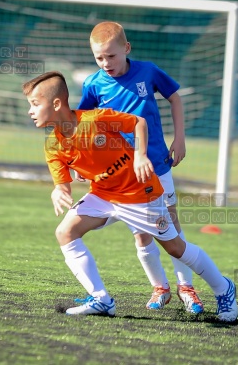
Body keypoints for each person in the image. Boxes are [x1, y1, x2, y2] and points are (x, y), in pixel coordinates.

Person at [22, 71, 238, 321]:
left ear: (56, 103)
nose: (30, 110)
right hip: (103, 196)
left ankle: (224, 288)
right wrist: (59, 190)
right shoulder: (52, 145)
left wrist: (140, 155)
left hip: (140, 195)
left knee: (176, 248)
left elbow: (138, 123)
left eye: (35, 104)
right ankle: (101, 299)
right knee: (65, 232)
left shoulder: (95, 120)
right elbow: (63, 184)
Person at [77, 21, 203, 314]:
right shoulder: (93, 84)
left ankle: (187, 288)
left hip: (158, 164)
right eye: (99, 57)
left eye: (111, 56)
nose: (106, 63)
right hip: (125, 174)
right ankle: (160, 287)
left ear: (126, 49)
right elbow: (83, 123)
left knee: (171, 226)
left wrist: (180, 138)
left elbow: (175, 98)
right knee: (142, 234)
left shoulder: (147, 71)